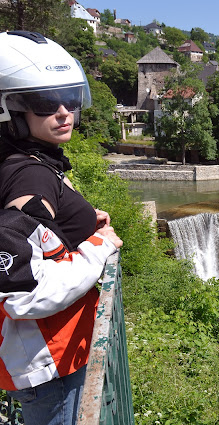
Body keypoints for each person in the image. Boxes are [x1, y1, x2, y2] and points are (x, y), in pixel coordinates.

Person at [0, 30, 123, 425]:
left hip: (49, 352)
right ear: (8, 110)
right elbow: (21, 291)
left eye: (70, 99)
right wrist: (98, 247)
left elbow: (40, 236)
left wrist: (85, 221)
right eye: (44, 102)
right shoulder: (29, 180)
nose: (64, 111)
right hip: (49, 360)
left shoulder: (27, 158)